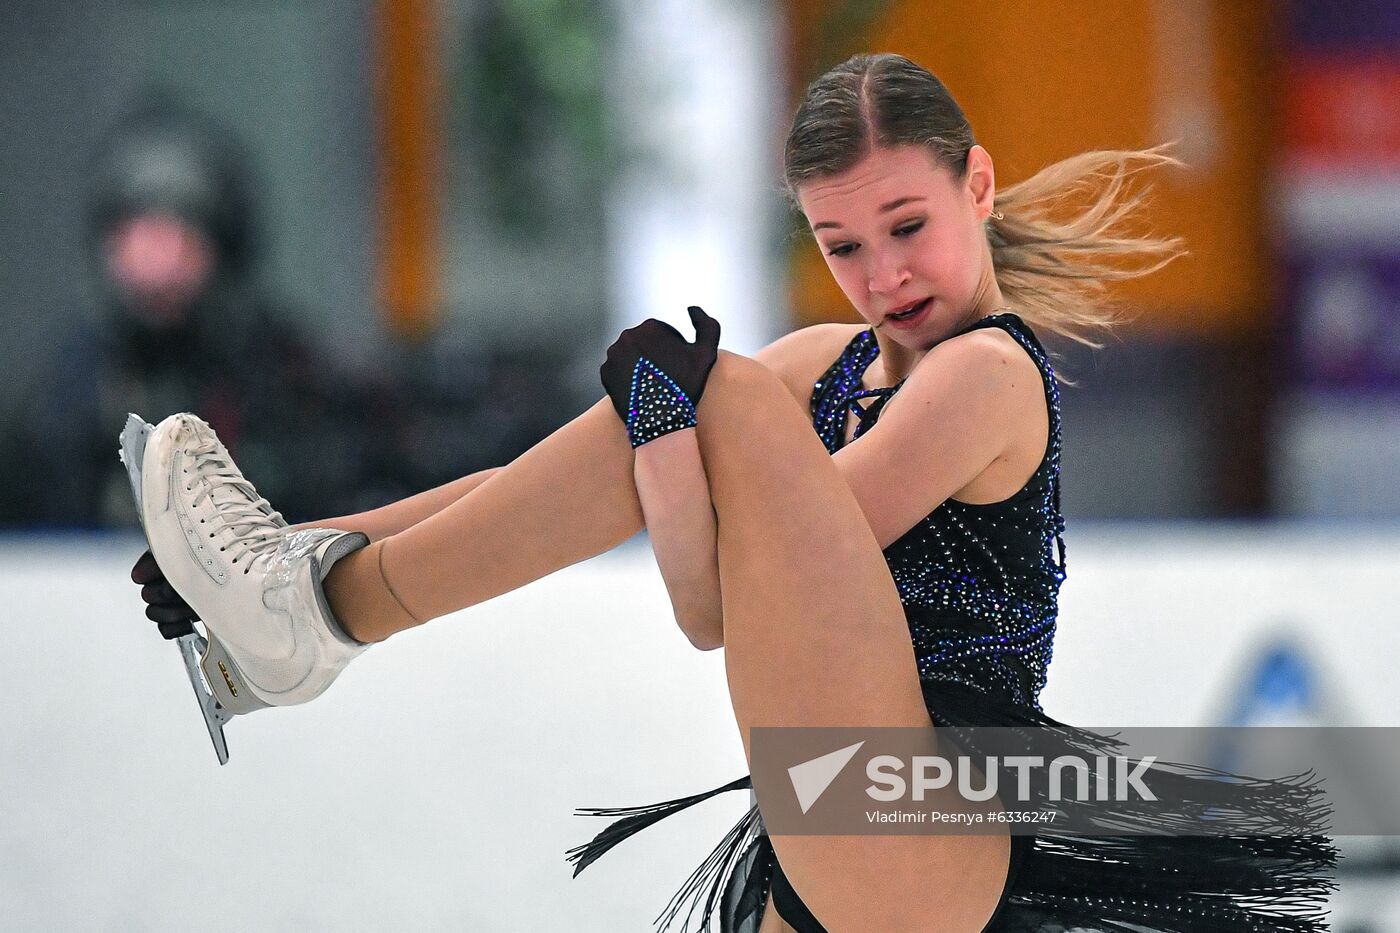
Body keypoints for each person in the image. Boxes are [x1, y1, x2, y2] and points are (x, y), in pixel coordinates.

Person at [130, 54, 1337, 932]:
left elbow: (718, 601)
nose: (883, 274)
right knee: (710, 396)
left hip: (920, 810)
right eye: (840, 244)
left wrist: (675, 431)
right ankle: (302, 599)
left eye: (906, 224)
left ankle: (323, 620)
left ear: (976, 185)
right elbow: (544, 492)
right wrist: (288, 544)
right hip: (816, 834)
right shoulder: (829, 369)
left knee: (721, 395)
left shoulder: (986, 377)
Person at [0, 94, 369, 528]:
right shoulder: (64, 391)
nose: (156, 256)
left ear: (222, 245)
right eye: (138, 230)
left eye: (177, 229)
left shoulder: (288, 381)